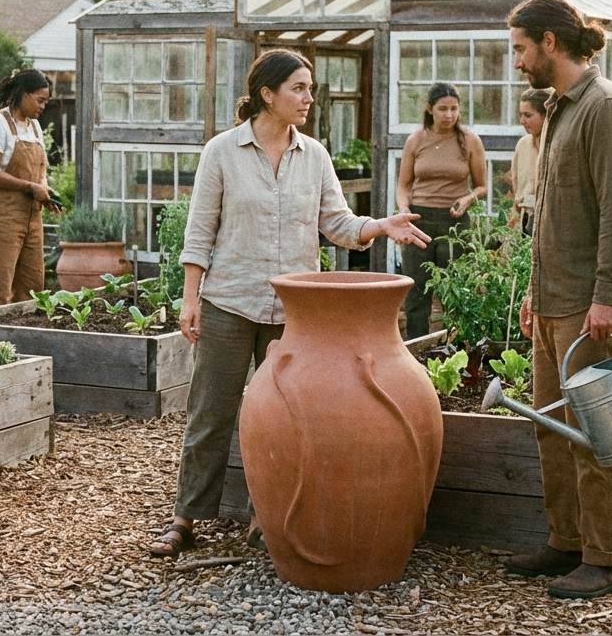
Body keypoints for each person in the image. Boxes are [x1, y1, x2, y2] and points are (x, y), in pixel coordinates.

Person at [150, 49, 431, 558]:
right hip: (230, 302)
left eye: (311, 88)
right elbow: (200, 231)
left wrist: (380, 225)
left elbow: (338, 224)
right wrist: (191, 299)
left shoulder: (315, 156)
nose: (308, 98)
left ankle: (266, 517)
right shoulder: (222, 152)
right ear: (267, 94)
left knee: (284, 417)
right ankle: (185, 517)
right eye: (298, 88)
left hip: (293, 313)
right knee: (211, 411)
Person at [508, 0, 612, 599]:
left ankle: (605, 558)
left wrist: (609, 297)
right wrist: (533, 292)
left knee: (597, 435)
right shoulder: (560, 108)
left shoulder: (605, 107)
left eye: (520, 49)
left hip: (592, 305)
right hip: (554, 299)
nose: (517, 62)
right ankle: (565, 542)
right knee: (554, 430)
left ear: (550, 42)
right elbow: (554, 212)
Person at [395, 82, 488, 339]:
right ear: (429, 109)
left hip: (454, 223)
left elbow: (482, 186)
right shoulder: (416, 140)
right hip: (419, 221)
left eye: (454, 109)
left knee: (454, 290)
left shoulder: (469, 141)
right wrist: (404, 211)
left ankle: (455, 349)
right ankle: (417, 348)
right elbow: (403, 186)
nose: (449, 115)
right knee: (417, 292)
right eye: (442, 109)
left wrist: (468, 199)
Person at [0, 68, 57, 308]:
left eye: (46, 102)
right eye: (39, 100)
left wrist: (45, 191)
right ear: (23, 94)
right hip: (1, 219)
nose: (43, 106)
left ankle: (21, 333)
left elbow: (40, 172)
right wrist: (30, 187)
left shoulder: (35, 127)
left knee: (32, 289)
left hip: (32, 220)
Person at [508, 87, 551, 235]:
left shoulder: (558, 145)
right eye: (521, 115)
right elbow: (517, 192)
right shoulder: (523, 145)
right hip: (526, 222)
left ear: (546, 115)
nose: (522, 121)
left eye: (528, 115)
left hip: (551, 224)